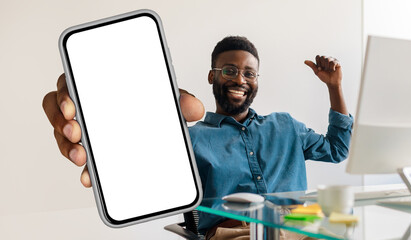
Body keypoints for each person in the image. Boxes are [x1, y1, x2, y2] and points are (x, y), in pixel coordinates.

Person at [42, 36, 353, 240]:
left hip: (302, 222)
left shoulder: (285, 125)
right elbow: (141, 179)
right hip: (237, 232)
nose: (240, 79)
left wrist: (334, 86)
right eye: (230, 70)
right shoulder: (188, 140)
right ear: (212, 76)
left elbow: (338, 149)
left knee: (349, 223)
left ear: (257, 81)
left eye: (249, 73)